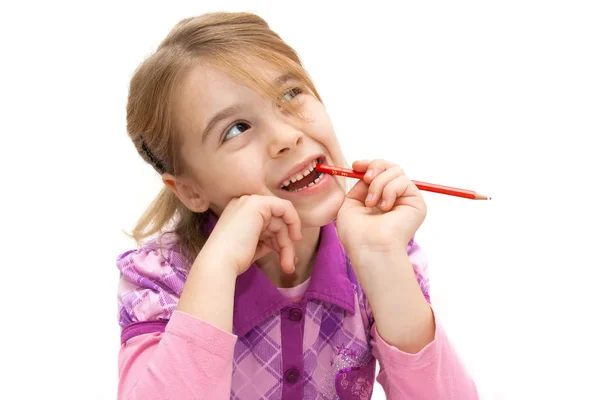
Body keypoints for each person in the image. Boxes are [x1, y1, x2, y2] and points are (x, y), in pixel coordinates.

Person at [116, 11, 478, 399]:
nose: (287, 137)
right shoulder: (161, 280)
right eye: (237, 128)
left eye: (290, 95)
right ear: (189, 191)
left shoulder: (379, 256)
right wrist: (216, 269)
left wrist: (381, 259)